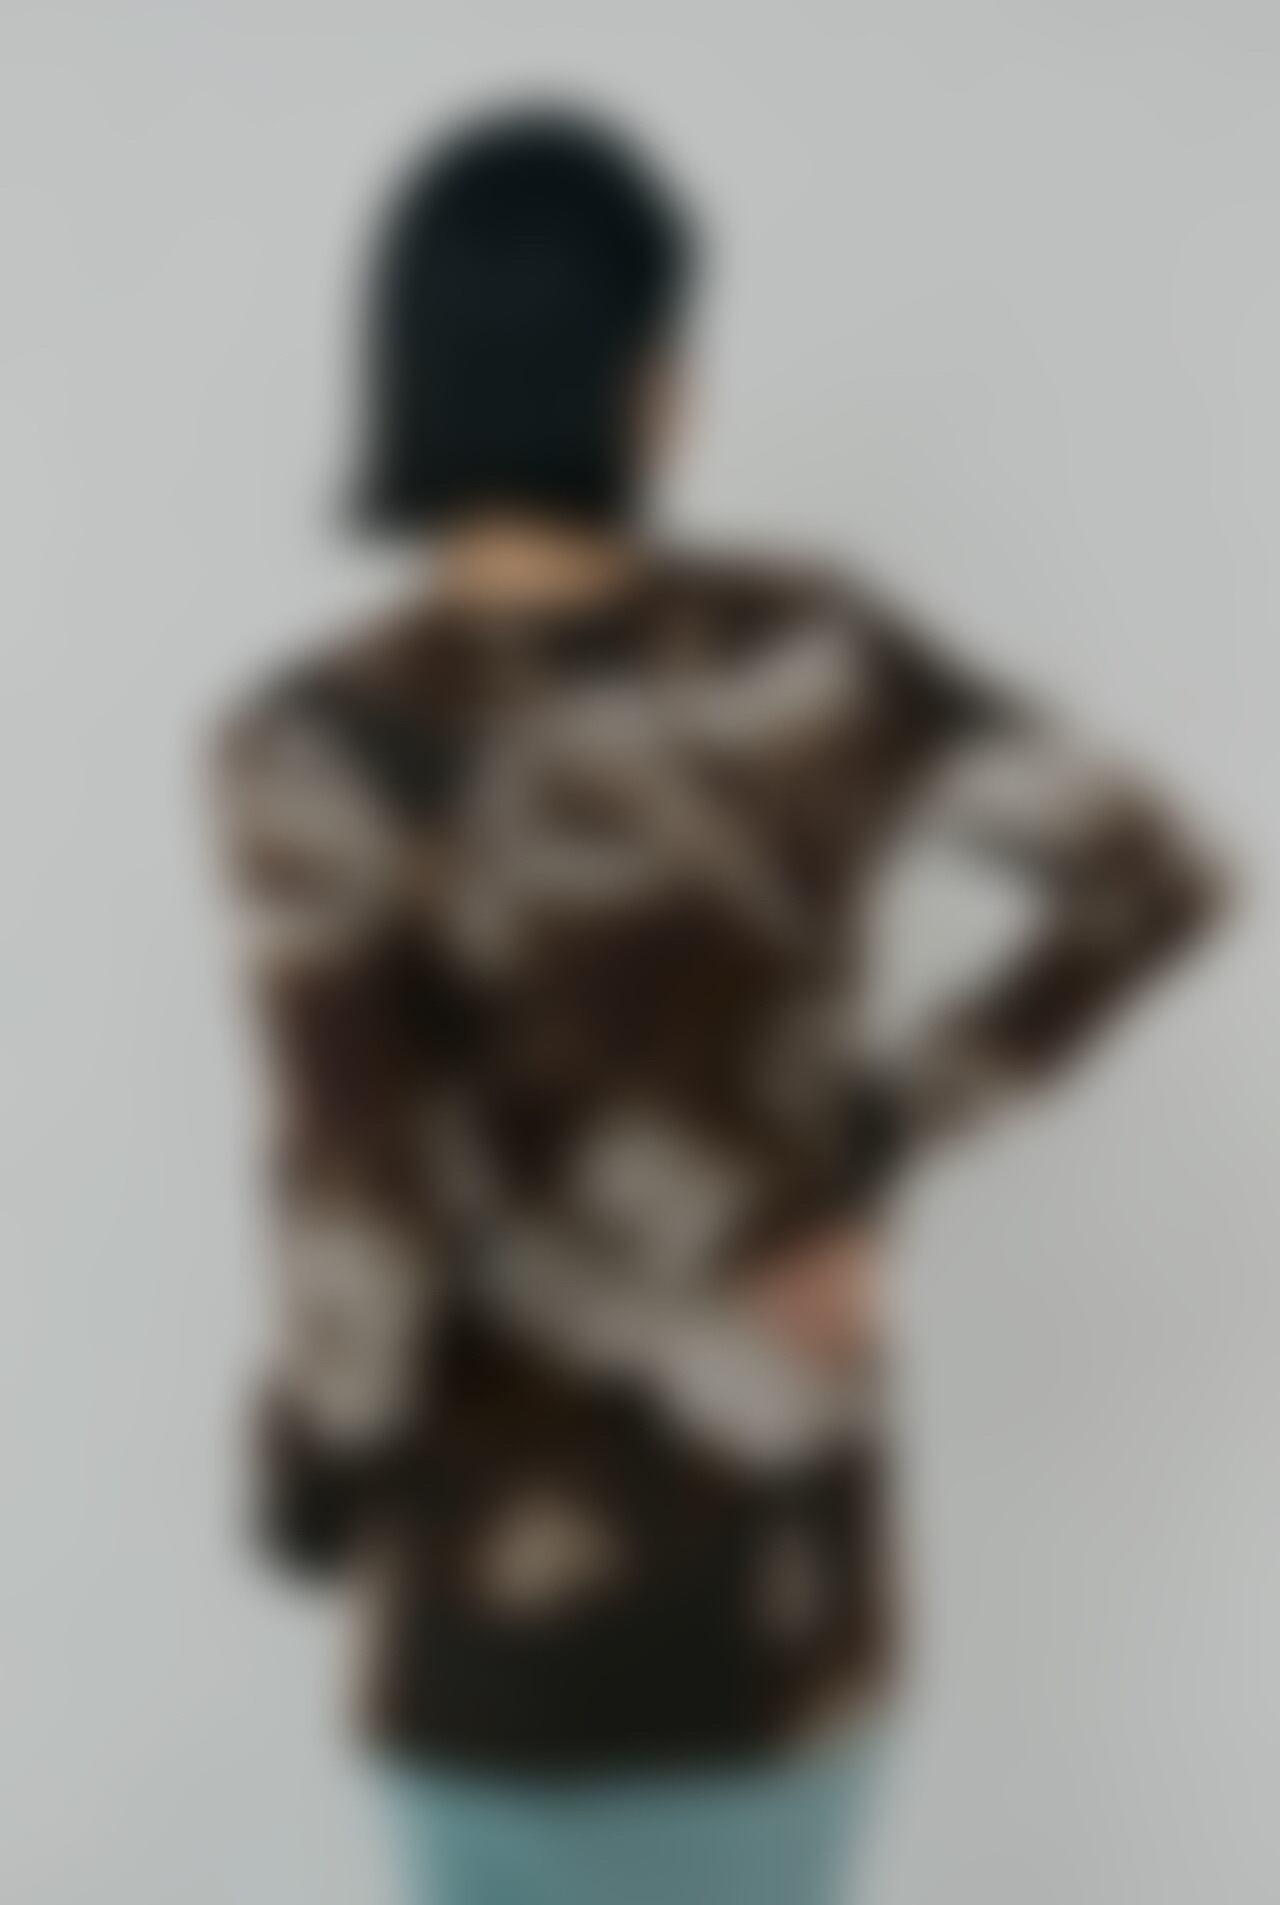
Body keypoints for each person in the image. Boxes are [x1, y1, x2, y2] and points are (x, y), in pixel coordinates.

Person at [210, 105, 1230, 1905]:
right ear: (649, 382)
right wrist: (872, 1136)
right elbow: (1153, 876)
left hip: (495, 1643)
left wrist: (307, 1476)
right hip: (794, 1618)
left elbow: (355, 1209)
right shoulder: (819, 648)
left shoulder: (313, 749)